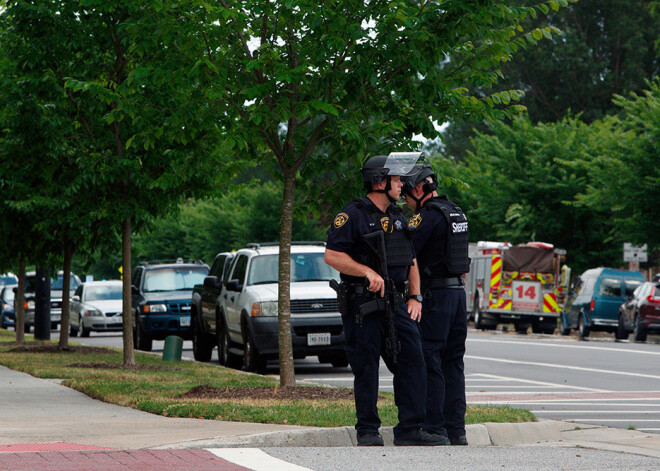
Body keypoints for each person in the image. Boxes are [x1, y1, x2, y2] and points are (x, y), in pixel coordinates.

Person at [325, 153, 445, 447]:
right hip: (363, 304)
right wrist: (365, 271)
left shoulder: (398, 217)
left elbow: (410, 259)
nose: (401, 184)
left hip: (395, 303)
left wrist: (414, 296)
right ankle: (367, 429)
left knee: (413, 359)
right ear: (379, 182)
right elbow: (333, 255)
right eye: (396, 179)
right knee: (365, 366)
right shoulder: (352, 214)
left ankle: (410, 429)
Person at [401, 164, 470, 446]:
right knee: (454, 363)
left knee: (431, 360)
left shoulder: (426, 217)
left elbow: (406, 251)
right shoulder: (456, 211)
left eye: (406, 195)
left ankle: (434, 427)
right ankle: (457, 429)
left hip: (436, 297)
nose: (405, 202)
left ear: (418, 190)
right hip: (457, 296)